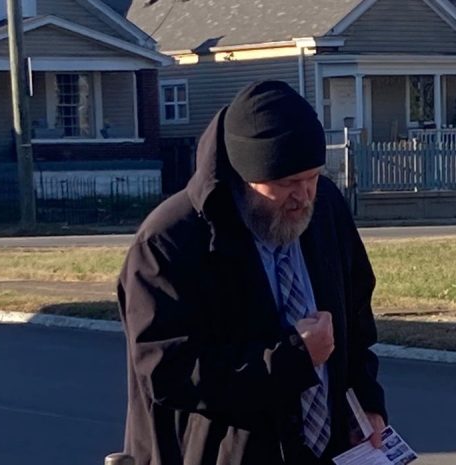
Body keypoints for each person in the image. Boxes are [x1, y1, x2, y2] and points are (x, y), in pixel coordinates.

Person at [117, 81, 387, 465]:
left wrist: (366, 405)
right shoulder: (169, 243)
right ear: (244, 178)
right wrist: (293, 359)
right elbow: (168, 372)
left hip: (325, 451)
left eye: (312, 177)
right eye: (286, 183)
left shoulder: (325, 207)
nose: (303, 196)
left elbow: (356, 324)